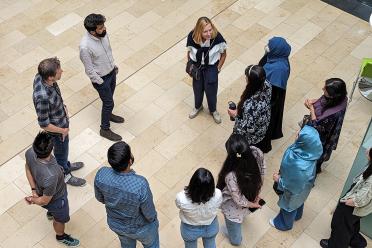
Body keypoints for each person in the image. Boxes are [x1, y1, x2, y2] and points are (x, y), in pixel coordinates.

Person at [94, 141, 159, 248]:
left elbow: (100, 198)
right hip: (141, 228)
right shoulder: (140, 184)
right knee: (152, 245)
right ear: (130, 160)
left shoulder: (101, 174)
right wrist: (153, 221)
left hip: (116, 224)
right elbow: (149, 213)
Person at [33, 57, 86, 187]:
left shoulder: (40, 76)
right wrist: (63, 130)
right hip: (58, 131)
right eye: (58, 71)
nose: (62, 71)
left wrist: (63, 106)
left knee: (63, 153)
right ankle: (65, 174)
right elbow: (44, 124)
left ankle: (66, 164)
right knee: (61, 153)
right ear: (50, 77)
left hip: (60, 121)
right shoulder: (43, 97)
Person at [24, 131, 80, 247]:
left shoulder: (29, 152)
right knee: (60, 219)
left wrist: (34, 190)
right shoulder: (51, 175)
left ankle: (51, 213)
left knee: (50, 208)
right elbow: (44, 201)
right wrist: (32, 199)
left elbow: (27, 167)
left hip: (42, 192)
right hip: (56, 199)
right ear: (51, 149)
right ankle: (61, 236)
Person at [79, 13, 124, 141]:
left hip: (111, 72)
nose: (104, 29)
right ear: (92, 31)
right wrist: (101, 82)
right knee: (109, 103)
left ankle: (108, 115)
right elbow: (89, 70)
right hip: (101, 79)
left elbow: (107, 52)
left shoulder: (103, 34)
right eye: (100, 28)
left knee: (109, 100)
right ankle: (104, 129)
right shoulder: (85, 47)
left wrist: (113, 66)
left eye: (103, 26)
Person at [270, 125, 323, 231]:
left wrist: (279, 180)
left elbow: (292, 187)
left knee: (288, 206)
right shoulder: (310, 153)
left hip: (292, 191)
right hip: (303, 189)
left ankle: (284, 224)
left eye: (299, 134)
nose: (297, 132)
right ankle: (298, 215)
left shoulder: (298, 165)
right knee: (299, 201)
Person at [216, 134, 266, 246]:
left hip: (233, 211)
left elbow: (238, 200)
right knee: (243, 216)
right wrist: (256, 195)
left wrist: (252, 205)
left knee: (236, 241)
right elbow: (262, 173)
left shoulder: (230, 176)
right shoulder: (257, 152)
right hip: (251, 196)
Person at [320, 148, 372, 248]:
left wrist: (347, 202)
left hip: (355, 205)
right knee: (352, 223)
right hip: (360, 204)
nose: (368, 150)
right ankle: (355, 241)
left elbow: (361, 199)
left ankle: (335, 245)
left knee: (340, 224)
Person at [186, 16, 227, 124]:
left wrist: (218, 69)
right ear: (199, 31)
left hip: (211, 67)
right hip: (197, 67)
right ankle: (198, 107)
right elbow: (189, 52)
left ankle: (213, 110)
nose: (209, 33)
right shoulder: (192, 37)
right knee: (197, 89)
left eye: (210, 30)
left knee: (211, 91)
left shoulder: (218, 39)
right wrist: (191, 65)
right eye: (205, 32)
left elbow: (223, 55)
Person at [304, 78, 348, 173]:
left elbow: (316, 125)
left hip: (321, 135)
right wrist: (315, 102)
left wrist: (311, 108)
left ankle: (314, 169)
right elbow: (324, 100)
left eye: (325, 89)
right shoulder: (342, 97)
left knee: (315, 153)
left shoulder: (332, 114)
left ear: (332, 96)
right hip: (325, 127)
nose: (322, 89)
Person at [227, 65, 272, 152]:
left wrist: (235, 115)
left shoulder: (251, 105)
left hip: (252, 138)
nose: (245, 78)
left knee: (232, 149)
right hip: (263, 128)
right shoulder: (267, 84)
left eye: (247, 77)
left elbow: (248, 128)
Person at [258, 37, 291, 153]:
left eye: (270, 45)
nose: (267, 46)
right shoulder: (275, 56)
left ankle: (263, 144)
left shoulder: (280, 70)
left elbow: (275, 93)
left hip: (270, 100)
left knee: (267, 121)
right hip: (266, 94)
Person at [175, 168, 222, 248]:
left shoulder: (181, 198)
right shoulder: (218, 194)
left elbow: (178, 205)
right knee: (210, 244)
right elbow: (219, 204)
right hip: (211, 226)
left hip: (190, 230)